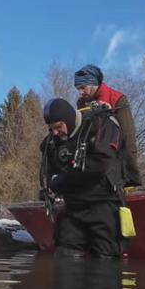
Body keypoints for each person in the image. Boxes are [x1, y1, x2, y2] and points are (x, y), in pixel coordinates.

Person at [40, 97, 125, 258]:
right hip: (72, 208)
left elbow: (101, 164)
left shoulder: (99, 125)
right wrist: (49, 187)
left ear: (69, 119)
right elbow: (48, 171)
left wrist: (60, 181)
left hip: (103, 204)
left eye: (58, 126)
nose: (55, 132)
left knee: (105, 260)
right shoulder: (52, 143)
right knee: (65, 257)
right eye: (51, 129)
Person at [74, 64, 142, 188]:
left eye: (83, 87)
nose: (80, 92)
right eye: (78, 88)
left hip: (114, 155)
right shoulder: (81, 103)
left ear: (94, 83)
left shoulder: (117, 99)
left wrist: (131, 173)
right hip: (92, 158)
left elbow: (128, 136)